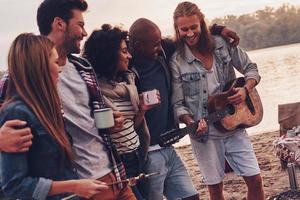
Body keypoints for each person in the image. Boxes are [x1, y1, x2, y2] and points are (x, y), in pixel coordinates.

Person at [128, 18, 239, 200]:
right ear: (138, 46)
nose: (159, 46)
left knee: (191, 196)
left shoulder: (164, 50)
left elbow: (189, 35)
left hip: (168, 146)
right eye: (155, 44)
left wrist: (219, 28)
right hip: (148, 154)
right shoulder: (126, 69)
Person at [36, 0, 136, 199]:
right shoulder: (27, 75)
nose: (84, 32)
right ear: (59, 24)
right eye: (80, 25)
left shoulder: (83, 67)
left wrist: (109, 123)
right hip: (82, 188)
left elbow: (89, 119)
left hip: (116, 174)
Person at [170, 2, 264, 200]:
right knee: (215, 189)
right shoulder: (176, 61)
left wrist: (245, 90)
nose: (189, 33)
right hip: (206, 135)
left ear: (202, 24)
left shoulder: (222, 43)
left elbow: (251, 68)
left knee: (255, 178)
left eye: (193, 27)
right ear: (177, 29)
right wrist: (190, 122)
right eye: (184, 29)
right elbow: (178, 105)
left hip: (235, 126)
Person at [0, 33, 108, 199]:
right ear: (40, 67)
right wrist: (75, 186)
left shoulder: (45, 108)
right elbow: (14, 185)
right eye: (56, 62)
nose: (60, 69)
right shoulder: (17, 112)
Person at [83, 24, 158, 199]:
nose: (129, 56)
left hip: (138, 155)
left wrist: (142, 111)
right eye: (124, 51)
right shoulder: (93, 92)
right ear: (109, 55)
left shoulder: (127, 84)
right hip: (118, 163)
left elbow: (132, 126)